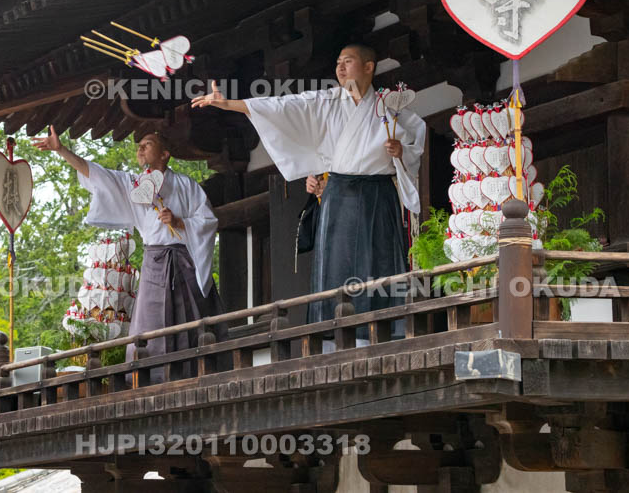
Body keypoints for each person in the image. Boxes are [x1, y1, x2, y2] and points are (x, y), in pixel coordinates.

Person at [191, 45, 426, 340]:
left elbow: (416, 142)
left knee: (376, 259)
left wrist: (401, 150)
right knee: (336, 263)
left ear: (369, 67)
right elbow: (284, 107)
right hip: (339, 194)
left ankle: (384, 328)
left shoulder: (389, 108)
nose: (340, 68)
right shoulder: (327, 101)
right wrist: (230, 105)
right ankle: (332, 332)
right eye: (338, 62)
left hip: (377, 194)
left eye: (348, 61)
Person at [31, 128, 223, 379]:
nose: (140, 148)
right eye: (139, 144)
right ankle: (148, 380)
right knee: (150, 327)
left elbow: (208, 220)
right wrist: (61, 150)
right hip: (154, 263)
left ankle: (201, 374)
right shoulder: (135, 184)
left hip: (186, 261)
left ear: (165, 154)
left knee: (194, 322)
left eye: (148, 143)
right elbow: (99, 176)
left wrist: (180, 223)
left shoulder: (186, 185)